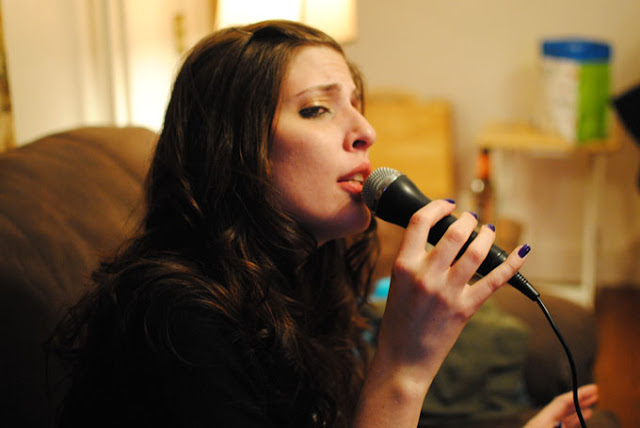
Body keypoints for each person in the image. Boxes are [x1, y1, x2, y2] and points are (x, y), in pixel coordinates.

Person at [50, 20, 597, 428]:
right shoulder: (177, 315)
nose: (365, 131)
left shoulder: (308, 272)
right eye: (316, 109)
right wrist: (404, 366)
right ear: (234, 147)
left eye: (357, 105)